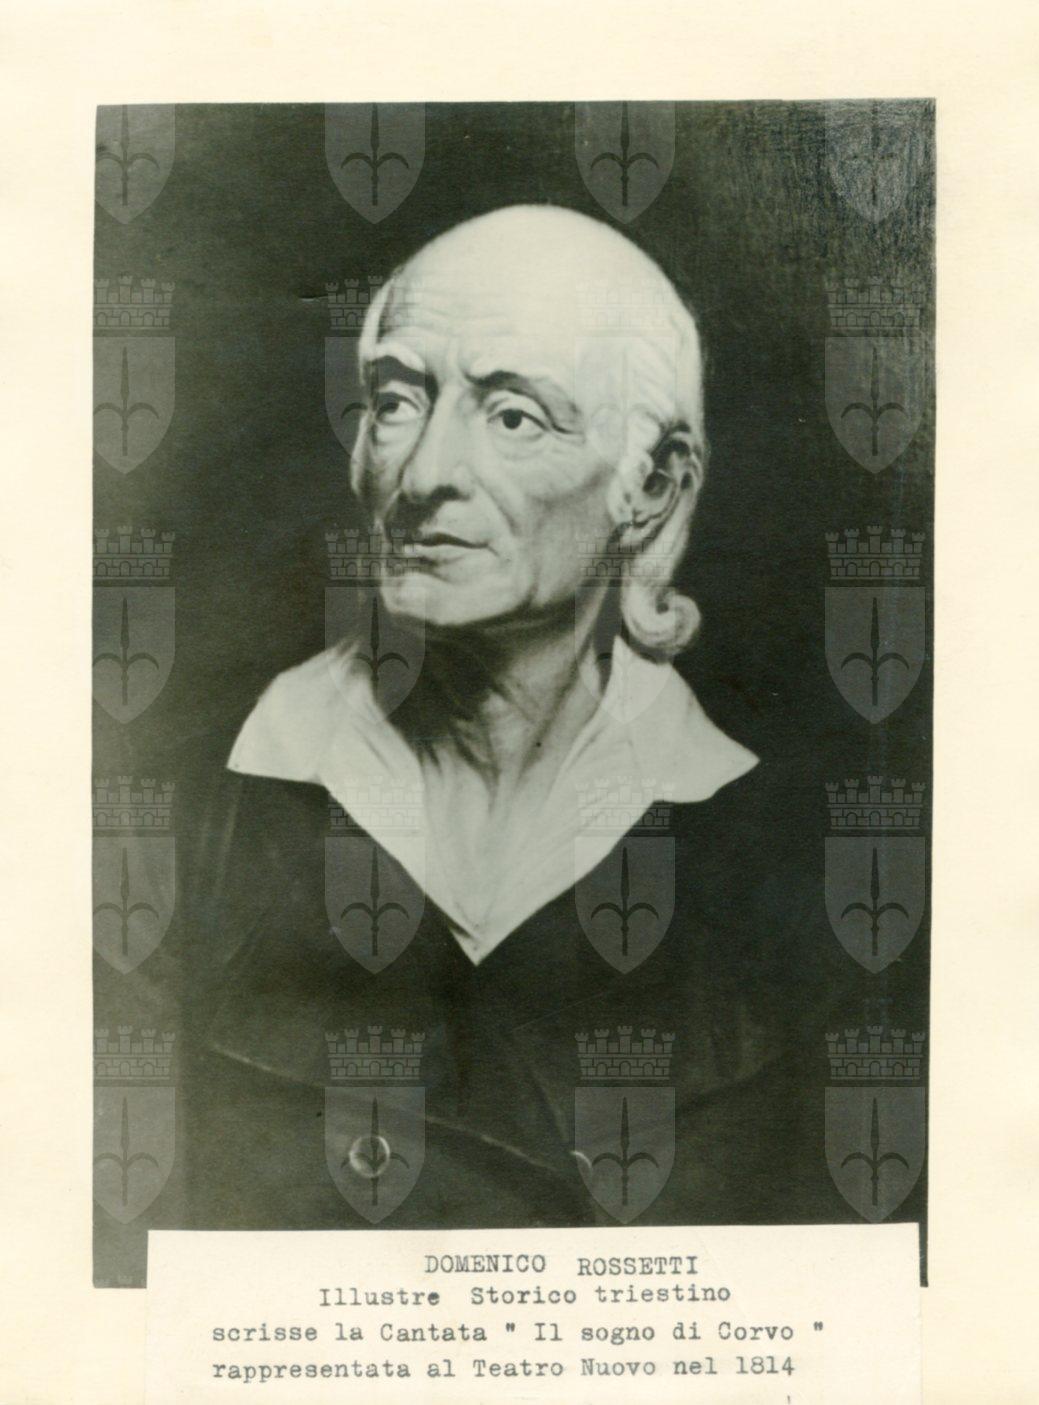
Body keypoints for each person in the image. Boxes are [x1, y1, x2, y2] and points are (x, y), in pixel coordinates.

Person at [173, 205, 845, 1229]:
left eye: (514, 417)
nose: (423, 475)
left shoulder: (770, 856)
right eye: (397, 402)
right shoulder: (198, 810)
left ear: (652, 488)